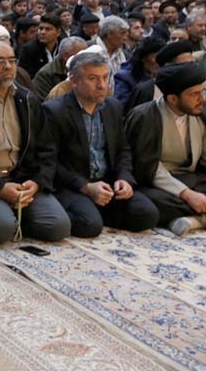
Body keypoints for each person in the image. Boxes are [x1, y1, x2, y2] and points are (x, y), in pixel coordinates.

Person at [0, 37, 71, 244]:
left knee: (58, 226)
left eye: (12, 60)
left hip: (22, 179)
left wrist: (37, 182)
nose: (8, 66)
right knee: (1, 229)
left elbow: (47, 149)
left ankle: (15, 213)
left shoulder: (28, 99)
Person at [44, 50, 158, 237]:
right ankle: (88, 212)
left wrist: (124, 178)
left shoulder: (113, 107)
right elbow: (50, 162)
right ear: (74, 81)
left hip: (106, 181)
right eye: (93, 79)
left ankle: (98, 210)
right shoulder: (55, 111)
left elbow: (123, 150)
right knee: (90, 226)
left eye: (105, 77)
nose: (102, 85)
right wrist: (86, 187)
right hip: (73, 185)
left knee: (148, 214)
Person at [126, 63, 206, 236]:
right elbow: (148, 168)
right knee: (149, 204)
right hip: (156, 184)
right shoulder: (145, 116)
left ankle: (195, 219)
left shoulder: (199, 113)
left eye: (202, 91)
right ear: (173, 99)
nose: (202, 99)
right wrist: (187, 194)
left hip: (191, 179)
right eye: (195, 94)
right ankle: (197, 216)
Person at [32, 36, 86, 101]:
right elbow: (45, 103)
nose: (85, 59)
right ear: (66, 56)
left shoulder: (85, 70)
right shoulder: (45, 74)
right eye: (81, 55)